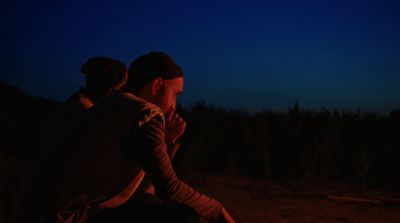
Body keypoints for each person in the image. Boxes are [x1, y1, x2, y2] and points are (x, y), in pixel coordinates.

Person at [54, 51, 235, 223]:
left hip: (62, 210)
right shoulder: (147, 113)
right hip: (79, 216)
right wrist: (218, 210)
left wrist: (167, 140)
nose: (174, 105)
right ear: (157, 85)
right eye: (175, 95)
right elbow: (169, 188)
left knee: (148, 203)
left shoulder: (116, 108)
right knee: (185, 217)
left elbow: (144, 189)